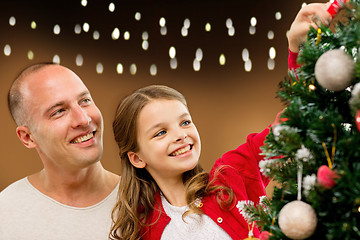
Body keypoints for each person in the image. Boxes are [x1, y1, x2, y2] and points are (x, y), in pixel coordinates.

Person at [109, 3, 332, 240]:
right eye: (160, 132)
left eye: (184, 123)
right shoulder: (142, 230)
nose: (180, 134)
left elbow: (292, 122)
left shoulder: (231, 176)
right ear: (137, 158)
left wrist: (298, 49)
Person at [0, 63, 120, 240]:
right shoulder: (6, 211)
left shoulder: (147, 203)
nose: (84, 119)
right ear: (27, 137)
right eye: (59, 112)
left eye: (84, 101)